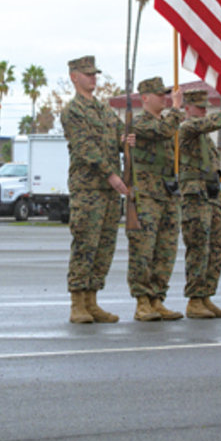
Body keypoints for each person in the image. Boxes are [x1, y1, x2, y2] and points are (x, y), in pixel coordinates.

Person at [61, 55, 129, 324]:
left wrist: (126, 139)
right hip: (88, 188)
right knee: (85, 244)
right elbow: (84, 148)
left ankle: (92, 300)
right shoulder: (73, 111)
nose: (93, 78)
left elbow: (120, 135)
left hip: (110, 191)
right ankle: (77, 302)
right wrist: (111, 174)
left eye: (95, 74)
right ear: (74, 76)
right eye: (88, 74)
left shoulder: (104, 111)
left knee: (104, 246)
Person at [177, 88, 221, 319]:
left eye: (205, 107)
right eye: (200, 107)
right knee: (199, 248)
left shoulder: (205, 137)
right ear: (187, 108)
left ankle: (206, 295)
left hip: (212, 195)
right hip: (196, 197)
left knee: (216, 249)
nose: (204, 111)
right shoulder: (187, 128)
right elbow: (211, 123)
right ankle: (195, 299)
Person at [127, 77, 184, 321]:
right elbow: (164, 131)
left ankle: (157, 298)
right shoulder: (139, 123)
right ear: (145, 98)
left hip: (167, 194)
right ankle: (142, 301)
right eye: (160, 94)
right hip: (146, 195)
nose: (165, 98)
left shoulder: (168, 122)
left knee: (166, 249)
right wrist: (177, 108)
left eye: (166, 94)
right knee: (143, 250)